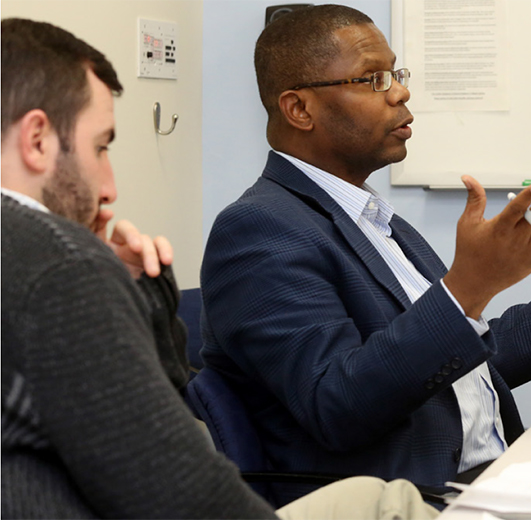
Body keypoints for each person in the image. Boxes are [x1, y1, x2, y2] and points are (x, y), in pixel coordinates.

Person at [200, 4, 531, 506]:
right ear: (299, 108)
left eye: (396, 73)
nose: (400, 92)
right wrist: (467, 290)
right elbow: (338, 404)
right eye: (372, 79)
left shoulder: (373, 220)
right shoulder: (260, 230)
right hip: (413, 499)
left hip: (490, 478)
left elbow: (466, 363)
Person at [0, 17, 437, 519]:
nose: (110, 189)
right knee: (395, 504)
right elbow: (183, 491)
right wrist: (94, 282)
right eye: (101, 147)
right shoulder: (61, 267)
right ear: (36, 139)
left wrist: (128, 303)